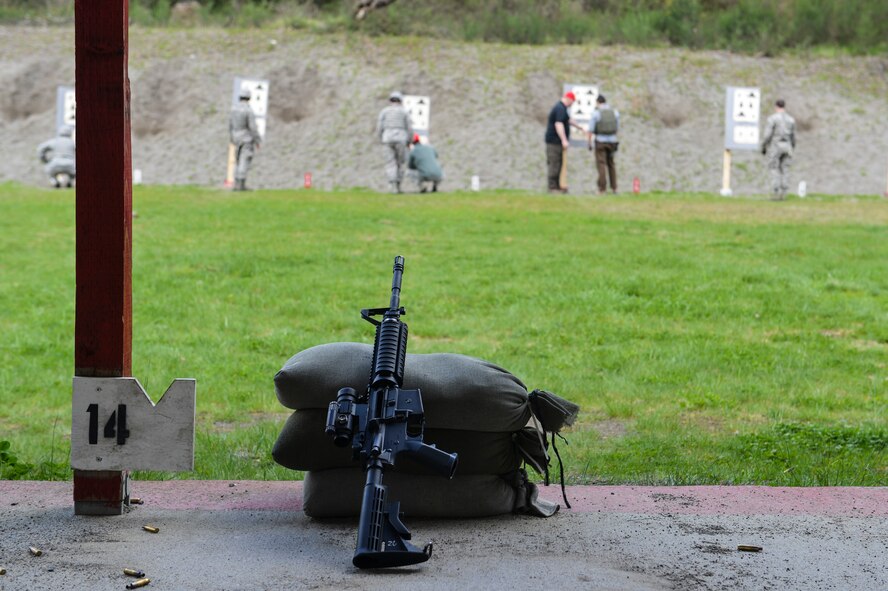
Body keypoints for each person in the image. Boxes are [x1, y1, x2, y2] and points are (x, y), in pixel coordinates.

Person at [544, 90, 587, 193]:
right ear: (569, 99)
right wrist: (564, 140)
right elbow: (558, 124)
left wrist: (579, 127)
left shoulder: (562, 108)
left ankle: (558, 186)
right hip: (554, 142)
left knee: (559, 164)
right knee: (554, 163)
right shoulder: (560, 108)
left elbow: (568, 120)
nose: (572, 104)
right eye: (572, 102)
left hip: (557, 142)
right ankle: (552, 187)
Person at [376, 91, 413, 193]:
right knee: (400, 163)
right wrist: (410, 140)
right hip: (401, 138)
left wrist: (380, 138)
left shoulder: (384, 111)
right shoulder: (404, 112)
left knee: (390, 163)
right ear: (400, 101)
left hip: (387, 138)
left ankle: (391, 183)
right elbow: (409, 127)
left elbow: (379, 127)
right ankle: (398, 185)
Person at [760, 99, 796, 200]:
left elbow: (767, 135)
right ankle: (784, 193)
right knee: (785, 169)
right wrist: (792, 146)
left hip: (775, 146)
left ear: (776, 106)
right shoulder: (791, 120)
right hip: (787, 146)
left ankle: (775, 191)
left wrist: (763, 146)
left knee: (774, 168)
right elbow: (793, 136)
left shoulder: (772, 119)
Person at [229, 87, 262, 191]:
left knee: (237, 161)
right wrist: (257, 140)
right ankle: (241, 185)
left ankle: (235, 184)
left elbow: (230, 125)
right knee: (244, 160)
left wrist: (231, 138)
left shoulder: (233, 109)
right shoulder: (248, 110)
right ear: (248, 98)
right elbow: (253, 127)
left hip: (235, 138)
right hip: (246, 138)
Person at [588, 94, 620, 194]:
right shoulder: (614, 112)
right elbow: (617, 128)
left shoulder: (596, 113)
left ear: (598, 102)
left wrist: (589, 142)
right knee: (611, 164)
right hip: (613, 142)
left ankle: (602, 189)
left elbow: (591, 130)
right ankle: (614, 188)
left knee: (601, 164)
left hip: (600, 141)